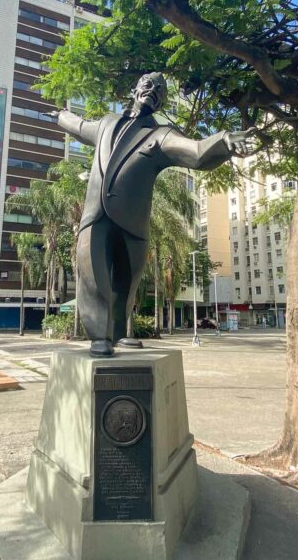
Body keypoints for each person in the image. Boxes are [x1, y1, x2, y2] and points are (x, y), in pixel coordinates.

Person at [55, 72, 258, 356]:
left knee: (127, 283)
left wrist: (225, 140)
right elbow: (79, 125)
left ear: (162, 103)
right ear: (134, 89)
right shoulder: (106, 123)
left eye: (160, 91)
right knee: (90, 271)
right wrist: (61, 115)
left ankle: (117, 332)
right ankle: (99, 336)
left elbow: (197, 151)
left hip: (132, 224)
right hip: (95, 214)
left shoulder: (161, 136)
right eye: (148, 85)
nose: (153, 91)